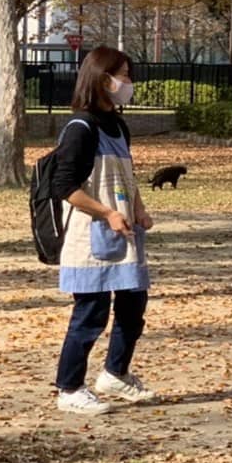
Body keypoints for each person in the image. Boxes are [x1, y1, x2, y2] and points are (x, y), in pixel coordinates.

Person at [52, 46, 155, 415]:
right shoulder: (80, 128)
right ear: (102, 78)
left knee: (133, 308)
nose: (128, 82)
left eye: (128, 74)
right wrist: (107, 212)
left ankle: (115, 373)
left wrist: (138, 209)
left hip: (126, 234)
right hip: (92, 236)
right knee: (90, 314)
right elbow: (65, 186)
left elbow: (127, 175)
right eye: (122, 75)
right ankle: (69, 387)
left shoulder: (119, 125)